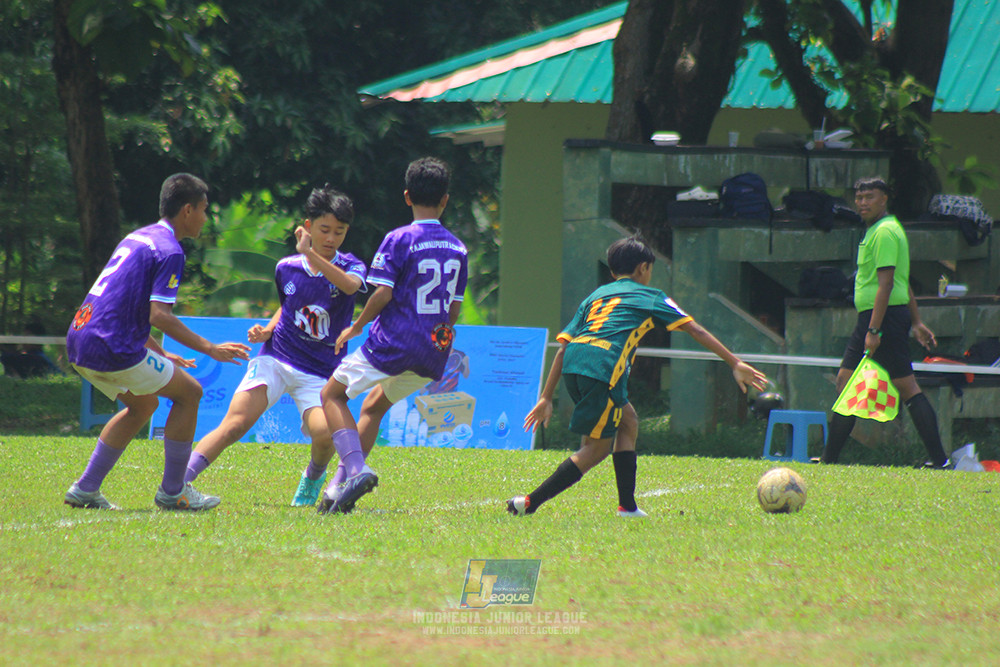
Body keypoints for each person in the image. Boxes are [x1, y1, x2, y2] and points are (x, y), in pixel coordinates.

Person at [509, 236, 767, 517]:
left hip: (575, 363)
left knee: (628, 420)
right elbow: (696, 330)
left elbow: (564, 347)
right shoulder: (651, 296)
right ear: (644, 268)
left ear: (612, 271)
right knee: (597, 449)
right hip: (602, 368)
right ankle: (529, 503)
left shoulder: (596, 296)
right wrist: (734, 362)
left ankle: (627, 507)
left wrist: (547, 396)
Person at [64, 173, 250, 511]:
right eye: (205, 210)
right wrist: (211, 349)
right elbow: (159, 316)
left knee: (144, 405)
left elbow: (124, 308)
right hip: (111, 346)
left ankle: (86, 488)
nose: (207, 218)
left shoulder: (138, 237)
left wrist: (162, 354)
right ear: (188, 210)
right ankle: (173, 492)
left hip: (80, 338)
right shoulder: (170, 251)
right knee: (190, 393)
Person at [183, 186, 367, 506]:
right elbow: (288, 306)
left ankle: (312, 477)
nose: (331, 238)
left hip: (321, 372)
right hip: (277, 357)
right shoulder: (286, 268)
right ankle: (177, 483)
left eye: (339, 232)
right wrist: (267, 330)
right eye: (324, 230)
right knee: (235, 423)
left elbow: (350, 287)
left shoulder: (351, 266)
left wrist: (309, 253)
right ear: (307, 227)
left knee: (324, 434)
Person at [317, 157, 468, 514]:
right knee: (374, 405)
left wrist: (356, 326)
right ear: (445, 199)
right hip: (434, 349)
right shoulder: (459, 248)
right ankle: (338, 489)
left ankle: (355, 469)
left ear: (406, 196)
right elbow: (454, 308)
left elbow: (382, 293)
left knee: (332, 394)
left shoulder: (399, 238)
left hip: (395, 342)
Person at [821, 177, 949, 468]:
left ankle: (940, 461)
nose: (863, 202)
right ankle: (829, 460)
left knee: (905, 386)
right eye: (859, 197)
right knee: (848, 381)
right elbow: (902, 283)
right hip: (881, 316)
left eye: (870, 197)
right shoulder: (877, 230)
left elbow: (888, 284)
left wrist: (874, 330)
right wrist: (916, 321)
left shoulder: (886, 232)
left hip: (883, 319)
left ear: (885, 199)